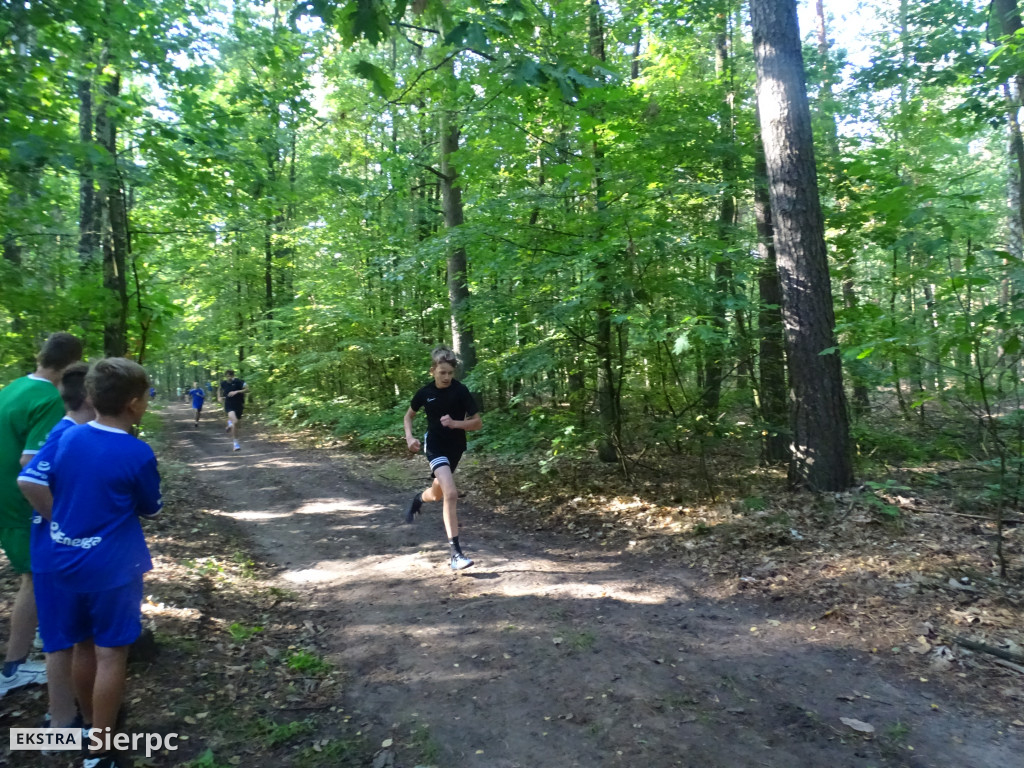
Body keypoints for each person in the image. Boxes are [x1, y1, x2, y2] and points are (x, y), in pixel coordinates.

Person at [18, 358, 161, 768]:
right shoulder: (136, 451)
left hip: (64, 561)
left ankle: (87, 727)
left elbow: (32, 478)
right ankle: (102, 749)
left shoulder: (65, 438)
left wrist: (59, 519)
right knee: (112, 653)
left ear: (92, 397)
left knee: (82, 647)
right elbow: (150, 507)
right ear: (134, 404)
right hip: (114, 567)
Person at [0, 331, 83, 696]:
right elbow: (30, 462)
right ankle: (13, 667)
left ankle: (27, 649)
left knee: (32, 579)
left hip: (5, 499)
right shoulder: (50, 398)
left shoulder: (14, 387)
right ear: (71, 365)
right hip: (21, 505)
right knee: (34, 579)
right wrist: (59, 515)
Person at [17, 362, 94, 730]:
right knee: (60, 641)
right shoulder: (66, 434)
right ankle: (60, 727)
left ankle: (73, 718)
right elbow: (29, 478)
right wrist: (63, 523)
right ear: (91, 397)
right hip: (55, 555)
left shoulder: (74, 433)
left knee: (73, 637)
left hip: (65, 555)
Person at [402, 346, 482, 571]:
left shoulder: (461, 391)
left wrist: (457, 424)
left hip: (456, 447)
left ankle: (419, 498)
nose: (446, 377)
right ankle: (456, 554)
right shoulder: (424, 393)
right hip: (435, 446)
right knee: (451, 493)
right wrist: (409, 438)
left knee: (437, 494)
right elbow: (409, 416)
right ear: (433, 371)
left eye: (450, 373)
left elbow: (477, 423)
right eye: (442, 372)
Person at [218, 369, 248, 452]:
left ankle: (229, 425)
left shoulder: (239, 382)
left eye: (230, 376)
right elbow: (219, 389)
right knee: (235, 421)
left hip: (239, 405)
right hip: (229, 405)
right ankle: (236, 444)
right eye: (227, 376)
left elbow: (247, 389)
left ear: (233, 375)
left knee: (237, 424)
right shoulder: (223, 383)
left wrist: (237, 391)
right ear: (225, 376)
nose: (229, 378)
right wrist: (219, 397)